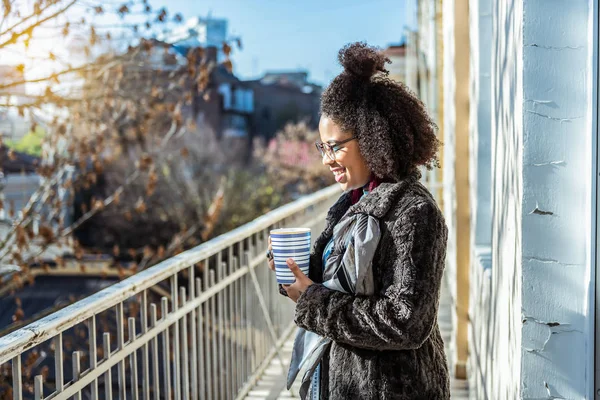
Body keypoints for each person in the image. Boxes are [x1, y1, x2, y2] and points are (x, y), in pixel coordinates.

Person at [266, 41, 450, 400]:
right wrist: (297, 274)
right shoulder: (349, 204)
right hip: (343, 383)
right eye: (323, 147)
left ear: (372, 138)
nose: (326, 159)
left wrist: (313, 301)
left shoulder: (414, 212)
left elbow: (406, 323)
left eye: (335, 146)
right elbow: (337, 284)